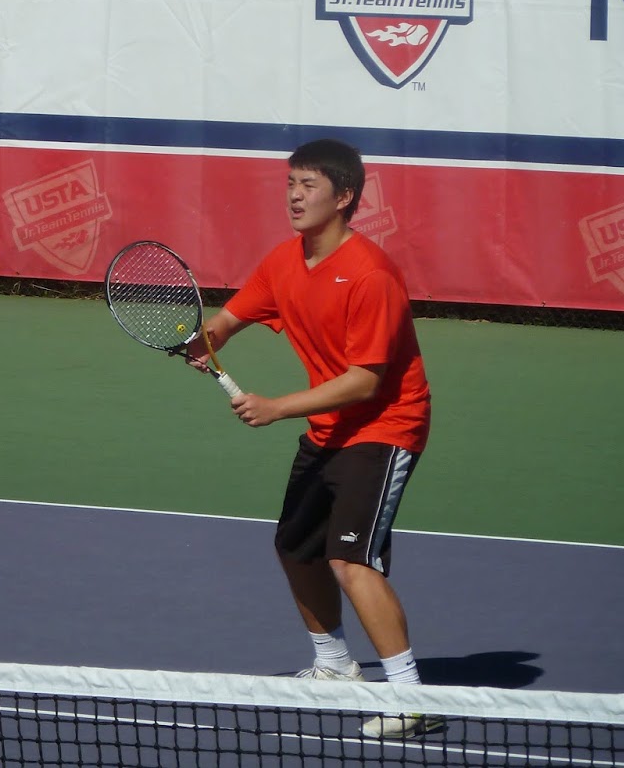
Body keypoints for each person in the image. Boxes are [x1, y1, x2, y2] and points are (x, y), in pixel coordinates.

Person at [185, 138, 441, 739]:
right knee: (296, 547)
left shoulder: (371, 275)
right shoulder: (284, 261)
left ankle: (411, 698)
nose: (294, 197)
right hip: (330, 427)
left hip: (384, 424)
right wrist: (205, 339)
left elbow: (365, 381)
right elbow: (229, 319)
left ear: (344, 196)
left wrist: (277, 407)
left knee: (350, 559)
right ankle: (335, 663)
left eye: (308, 186)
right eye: (290, 184)